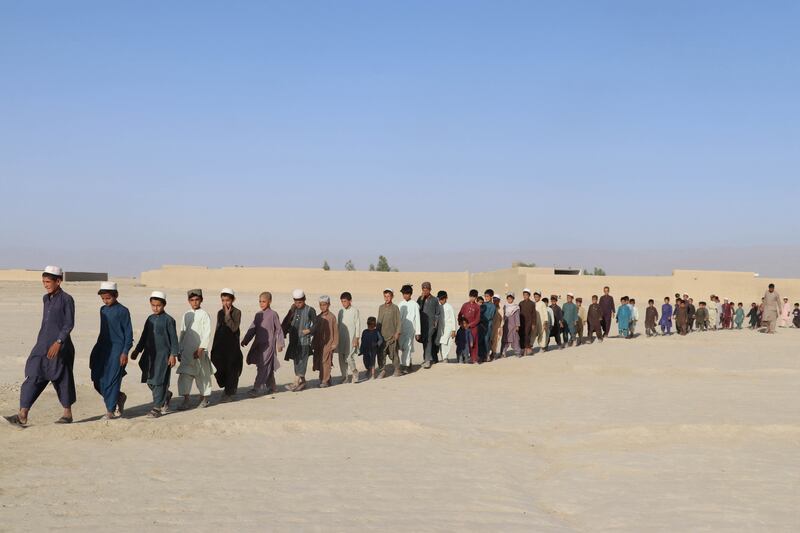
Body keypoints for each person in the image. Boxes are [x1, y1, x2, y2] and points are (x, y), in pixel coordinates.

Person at [7, 266, 76, 426]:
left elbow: (69, 324)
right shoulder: (46, 299)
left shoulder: (67, 299)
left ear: (58, 281)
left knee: (61, 378)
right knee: (34, 375)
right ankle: (22, 414)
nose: (45, 285)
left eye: (48, 281)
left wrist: (58, 342)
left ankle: (67, 414)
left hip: (60, 347)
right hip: (42, 344)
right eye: (43, 282)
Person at [130, 291, 179, 417]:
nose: (155, 308)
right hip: (149, 355)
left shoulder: (169, 320)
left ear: (164, 305)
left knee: (159, 381)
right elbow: (144, 336)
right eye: (153, 305)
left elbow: (174, 338)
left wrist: (173, 354)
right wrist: (137, 350)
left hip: (163, 356)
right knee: (150, 380)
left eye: (158, 305)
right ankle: (166, 395)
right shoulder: (150, 319)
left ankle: (157, 407)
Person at [89, 281, 133, 420]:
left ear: (116, 295)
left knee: (112, 380)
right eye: (103, 298)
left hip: (117, 349)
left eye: (108, 298)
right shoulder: (102, 310)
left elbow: (128, 333)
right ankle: (119, 396)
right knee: (97, 379)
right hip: (102, 348)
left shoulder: (123, 311)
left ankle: (110, 410)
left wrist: (125, 351)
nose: (105, 301)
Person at [177, 289, 214, 410]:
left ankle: (204, 399)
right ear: (188, 301)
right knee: (185, 376)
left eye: (197, 300)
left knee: (203, 375)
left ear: (201, 300)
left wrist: (201, 348)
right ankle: (186, 400)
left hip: (200, 352)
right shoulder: (186, 314)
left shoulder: (204, 314)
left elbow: (207, 333)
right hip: (186, 351)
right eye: (192, 300)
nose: (194, 302)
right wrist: (179, 349)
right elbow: (182, 333)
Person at [241, 292, 284, 396]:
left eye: (264, 301)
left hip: (269, 346)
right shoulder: (258, 315)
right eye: (260, 301)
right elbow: (253, 329)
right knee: (264, 366)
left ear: (270, 301)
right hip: (258, 345)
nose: (261, 303)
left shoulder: (273, 314)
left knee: (263, 366)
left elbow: (279, 329)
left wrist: (280, 343)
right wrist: (246, 340)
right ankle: (272, 387)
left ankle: (256, 388)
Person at [211, 288, 243, 403]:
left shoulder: (237, 312)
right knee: (218, 366)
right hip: (220, 345)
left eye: (228, 300)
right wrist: (214, 346)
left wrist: (228, 315)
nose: (225, 303)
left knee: (231, 368)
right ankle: (227, 387)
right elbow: (217, 328)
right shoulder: (219, 312)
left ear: (233, 300)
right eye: (223, 300)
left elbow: (234, 328)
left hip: (232, 346)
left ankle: (229, 392)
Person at [282, 289, 316, 391]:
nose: (298, 304)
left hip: (304, 341)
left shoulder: (310, 310)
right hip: (293, 340)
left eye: (300, 302)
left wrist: (309, 330)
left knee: (303, 360)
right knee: (296, 361)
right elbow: (286, 322)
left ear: (304, 300)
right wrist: (283, 333)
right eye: (296, 302)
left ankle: (296, 382)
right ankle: (303, 382)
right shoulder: (293, 309)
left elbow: (316, 324)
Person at [312, 295, 338, 388]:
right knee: (320, 361)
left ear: (329, 304)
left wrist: (334, 343)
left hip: (329, 343)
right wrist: (313, 343)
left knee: (326, 361)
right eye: (321, 305)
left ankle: (324, 380)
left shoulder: (332, 317)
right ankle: (326, 378)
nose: (323, 306)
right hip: (319, 343)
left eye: (324, 304)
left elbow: (335, 331)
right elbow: (314, 331)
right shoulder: (318, 317)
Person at [336, 292, 361, 383]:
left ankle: (355, 373)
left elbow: (357, 324)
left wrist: (357, 338)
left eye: (345, 301)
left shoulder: (355, 310)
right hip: (341, 338)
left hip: (351, 338)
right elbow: (338, 325)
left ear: (350, 301)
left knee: (349, 357)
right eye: (342, 301)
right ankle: (344, 377)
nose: (343, 303)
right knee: (341, 358)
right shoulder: (340, 312)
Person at [397, 284, 421, 374]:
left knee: (407, 347)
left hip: (410, 330)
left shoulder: (415, 305)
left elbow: (417, 319)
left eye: (407, 294)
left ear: (410, 294)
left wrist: (418, 332)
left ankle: (405, 366)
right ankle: (409, 363)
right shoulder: (400, 304)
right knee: (403, 347)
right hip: (401, 330)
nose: (405, 295)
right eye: (403, 294)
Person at [377, 289, 401, 378]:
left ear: (392, 297)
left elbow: (399, 321)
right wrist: (377, 334)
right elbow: (379, 321)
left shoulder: (395, 308)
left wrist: (397, 333)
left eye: (388, 296)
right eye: (385, 296)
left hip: (392, 336)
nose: (386, 298)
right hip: (382, 336)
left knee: (394, 354)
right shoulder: (381, 307)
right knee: (381, 354)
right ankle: (382, 371)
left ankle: (397, 369)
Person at [418, 282, 442, 368]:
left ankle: (427, 360)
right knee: (425, 341)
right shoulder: (420, 299)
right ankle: (426, 358)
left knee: (428, 340)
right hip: (422, 325)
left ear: (430, 290)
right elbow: (418, 309)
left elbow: (438, 313)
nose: (425, 291)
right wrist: (421, 299)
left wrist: (436, 322)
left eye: (426, 289)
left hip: (431, 325)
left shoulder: (435, 300)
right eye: (423, 289)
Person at [458, 290, 481, 363]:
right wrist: (461, 323)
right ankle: (464, 358)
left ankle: (474, 359)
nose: (472, 298)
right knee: (464, 343)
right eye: (471, 296)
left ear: (476, 297)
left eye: (474, 297)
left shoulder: (477, 307)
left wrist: (470, 325)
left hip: (473, 328)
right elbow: (460, 314)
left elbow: (478, 318)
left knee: (473, 343)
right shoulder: (465, 305)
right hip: (464, 328)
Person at [437, 291, 456, 363]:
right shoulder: (438, 306)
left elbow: (453, 318)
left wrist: (454, 330)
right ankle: (444, 357)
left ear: (446, 298)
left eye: (442, 299)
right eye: (440, 299)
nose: (441, 300)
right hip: (440, 328)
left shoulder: (449, 307)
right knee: (442, 343)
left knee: (445, 342)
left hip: (448, 327)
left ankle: (445, 358)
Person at [478, 289, 496, 362]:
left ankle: (487, 355)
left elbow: (490, 316)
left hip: (488, 325)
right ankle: (481, 355)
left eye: (487, 296)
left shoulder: (493, 306)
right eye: (485, 296)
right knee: (481, 340)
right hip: (481, 325)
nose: (486, 298)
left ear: (491, 297)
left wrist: (481, 318)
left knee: (486, 340)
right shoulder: (483, 304)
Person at [518, 289, 537, 356]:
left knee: (527, 335)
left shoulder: (532, 303)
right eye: (524, 295)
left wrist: (534, 323)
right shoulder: (520, 303)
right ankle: (522, 349)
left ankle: (528, 349)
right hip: (521, 322)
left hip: (529, 322)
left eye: (526, 295)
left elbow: (534, 314)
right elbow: (518, 313)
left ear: (529, 295)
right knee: (521, 335)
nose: (525, 296)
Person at [501, 292, 521, 356]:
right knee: (505, 339)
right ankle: (503, 352)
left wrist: (517, 325)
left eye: (511, 298)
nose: (509, 300)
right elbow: (503, 315)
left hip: (514, 326)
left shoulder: (516, 307)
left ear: (513, 299)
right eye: (508, 298)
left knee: (515, 339)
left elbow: (517, 317)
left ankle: (517, 352)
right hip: (506, 326)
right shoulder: (505, 307)